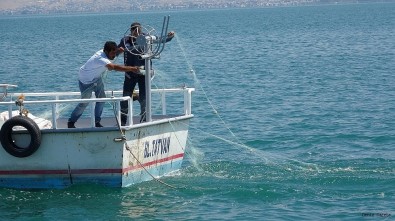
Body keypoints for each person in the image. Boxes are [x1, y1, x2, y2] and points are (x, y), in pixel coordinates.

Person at [68, 41, 140, 128]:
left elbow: (111, 56)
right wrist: (132, 69)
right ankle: (71, 121)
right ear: (106, 51)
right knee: (84, 103)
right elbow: (113, 67)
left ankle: (97, 122)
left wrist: (118, 52)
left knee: (102, 99)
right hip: (86, 81)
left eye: (114, 52)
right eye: (112, 53)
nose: (114, 55)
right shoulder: (100, 58)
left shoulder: (106, 53)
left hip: (97, 79)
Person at [118, 22, 175, 125]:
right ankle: (122, 121)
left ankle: (144, 119)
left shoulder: (147, 38)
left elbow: (160, 39)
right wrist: (117, 51)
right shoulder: (125, 40)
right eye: (134, 30)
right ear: (130, 31)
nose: (137, 32)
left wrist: (169, 36)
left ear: (141, 30)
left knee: (144, 97)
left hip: (144, 73)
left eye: (139, 30)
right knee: (125, 97)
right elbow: (118, 51)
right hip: (130, 74)